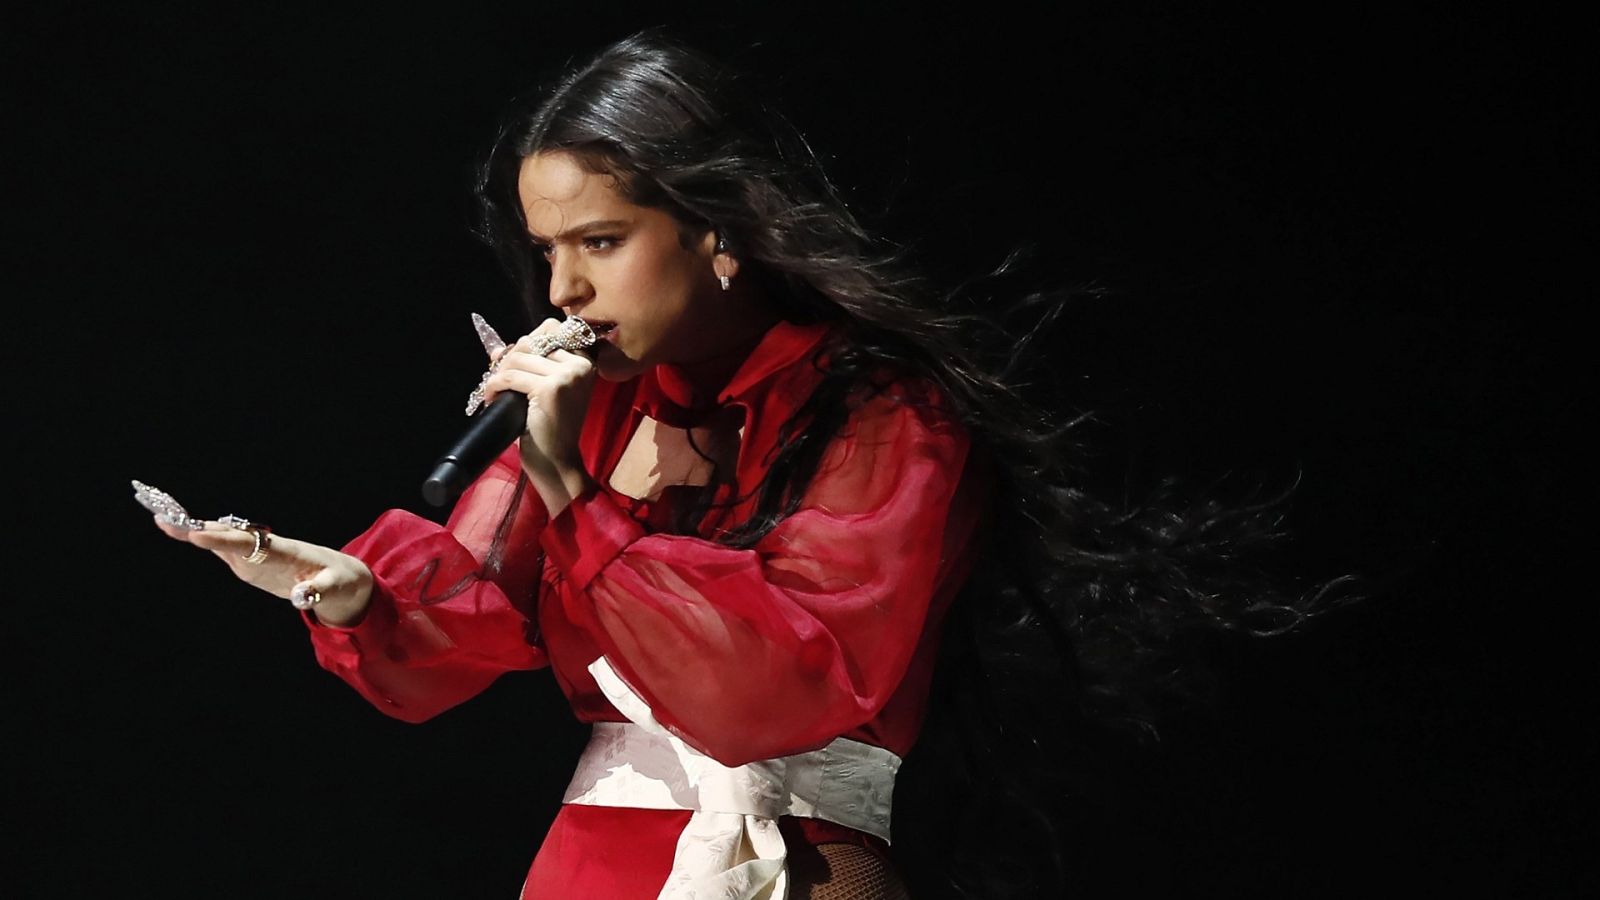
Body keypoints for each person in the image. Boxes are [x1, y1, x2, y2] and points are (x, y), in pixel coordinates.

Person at [138, 31, 1343, 899]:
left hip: (797, 866)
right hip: (594, 864)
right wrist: (350, 593)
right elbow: (468, 627)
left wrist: (573, 496)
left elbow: (764, 688)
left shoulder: (886, 413)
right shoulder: (600, 414)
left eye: (599, 241)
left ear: (715, 231)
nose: (562, 290)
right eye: (547, 251)